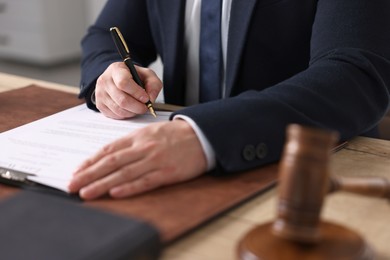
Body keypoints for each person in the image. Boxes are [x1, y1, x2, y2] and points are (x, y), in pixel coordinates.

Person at [68, 0, 390, 200]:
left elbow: (354, 75)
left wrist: (206, 134)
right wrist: (108, 76)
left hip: (311, 175)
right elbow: (105, 34)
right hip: (175, 174)